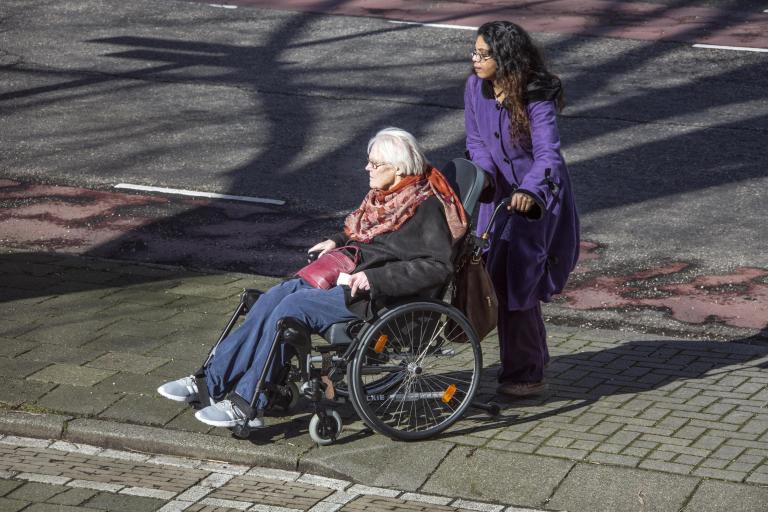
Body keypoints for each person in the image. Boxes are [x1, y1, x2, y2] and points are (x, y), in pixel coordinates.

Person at [157, 127, 467, 429]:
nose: (366, 168)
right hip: (351, 274)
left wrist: (377, 279)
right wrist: (336, 240)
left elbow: (437, 267)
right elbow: (363, 236)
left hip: (376, 298)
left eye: (375, 163)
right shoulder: (389, 196)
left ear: (398, 168)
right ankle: (209, 382)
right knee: (276, 295)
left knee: (291, 309)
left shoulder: (424, 207)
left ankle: (249, 403)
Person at [464, 21, 580, 397]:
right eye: (475, 52)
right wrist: (483, 178)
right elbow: (476, 140)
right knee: (496, 279)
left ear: (506, 57)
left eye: (484, 54)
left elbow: (548, 154)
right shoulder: (474, 88)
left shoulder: (535, 94)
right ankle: (532, 360)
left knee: (520, 282)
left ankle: (526, 374)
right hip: (497, 199)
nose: (476, 60)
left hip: (537, 200)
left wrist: (530, 190)